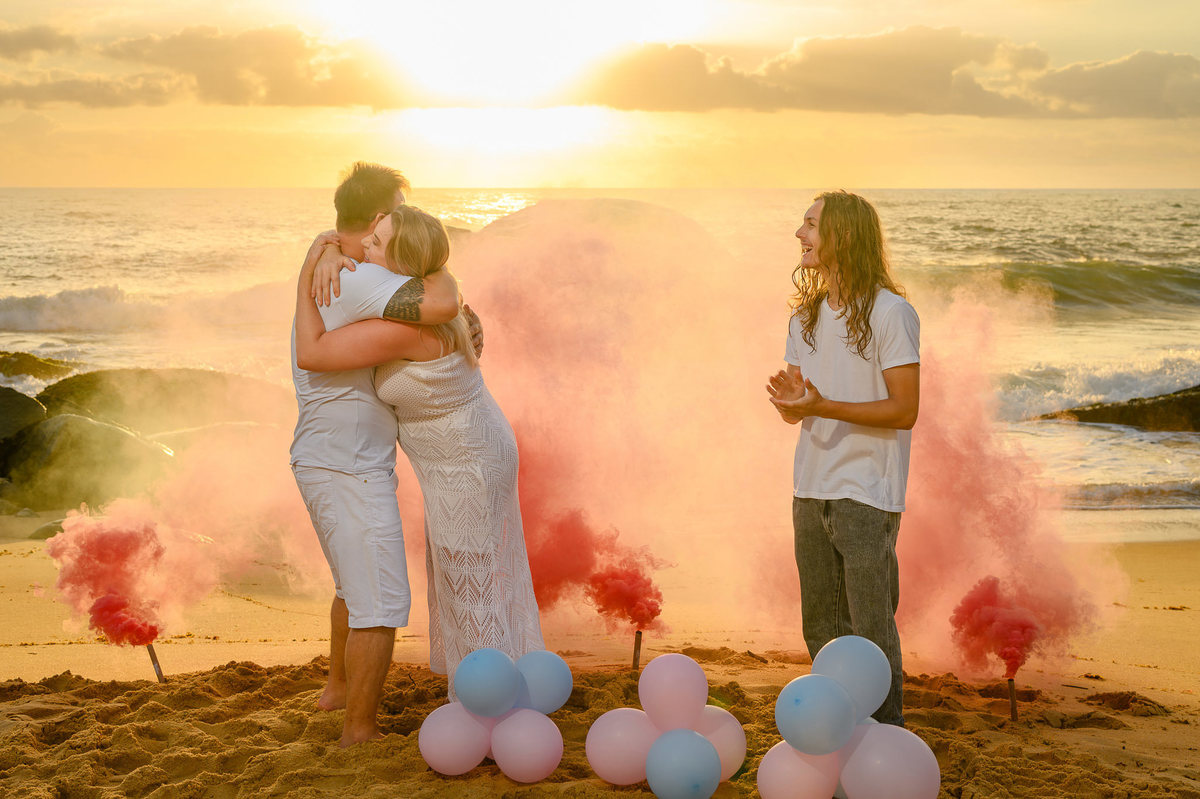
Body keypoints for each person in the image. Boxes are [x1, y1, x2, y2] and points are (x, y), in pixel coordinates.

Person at [295, 204, 545, 700]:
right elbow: (430, 280)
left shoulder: (406, 327)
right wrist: (325, 249)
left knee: (471, 580)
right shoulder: (420, 303)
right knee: (472, 576)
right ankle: (494, 684)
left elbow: (313, 353)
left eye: (378, 243)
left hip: (468, 461)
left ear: (402, 264)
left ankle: (487, 701)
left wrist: (308, 275)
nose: (365, 247)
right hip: (464, 453)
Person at [290, 162, 464, 747]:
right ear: (377, 218)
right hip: (348, 466)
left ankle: (338, 691)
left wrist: (322, 248)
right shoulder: (359, 278)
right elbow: (443, 302)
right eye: (396, 211)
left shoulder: (339, 267)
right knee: (383, 602)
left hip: (326, 455)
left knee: (352, 585)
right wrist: (437, 259)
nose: (402, 219)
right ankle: (358, 732)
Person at [766, 190, 920, 727]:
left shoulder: (891, 313)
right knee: (822, 632)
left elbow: (905, 410)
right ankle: (838, 736)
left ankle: (886, 740)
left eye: (810, 224)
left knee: (871, 636)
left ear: (843, 236)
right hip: (810, 488)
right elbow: (803, 409)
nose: (800, 234)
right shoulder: (805, 317)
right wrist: (793, 406)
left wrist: (819, 405)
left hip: (867, 494)